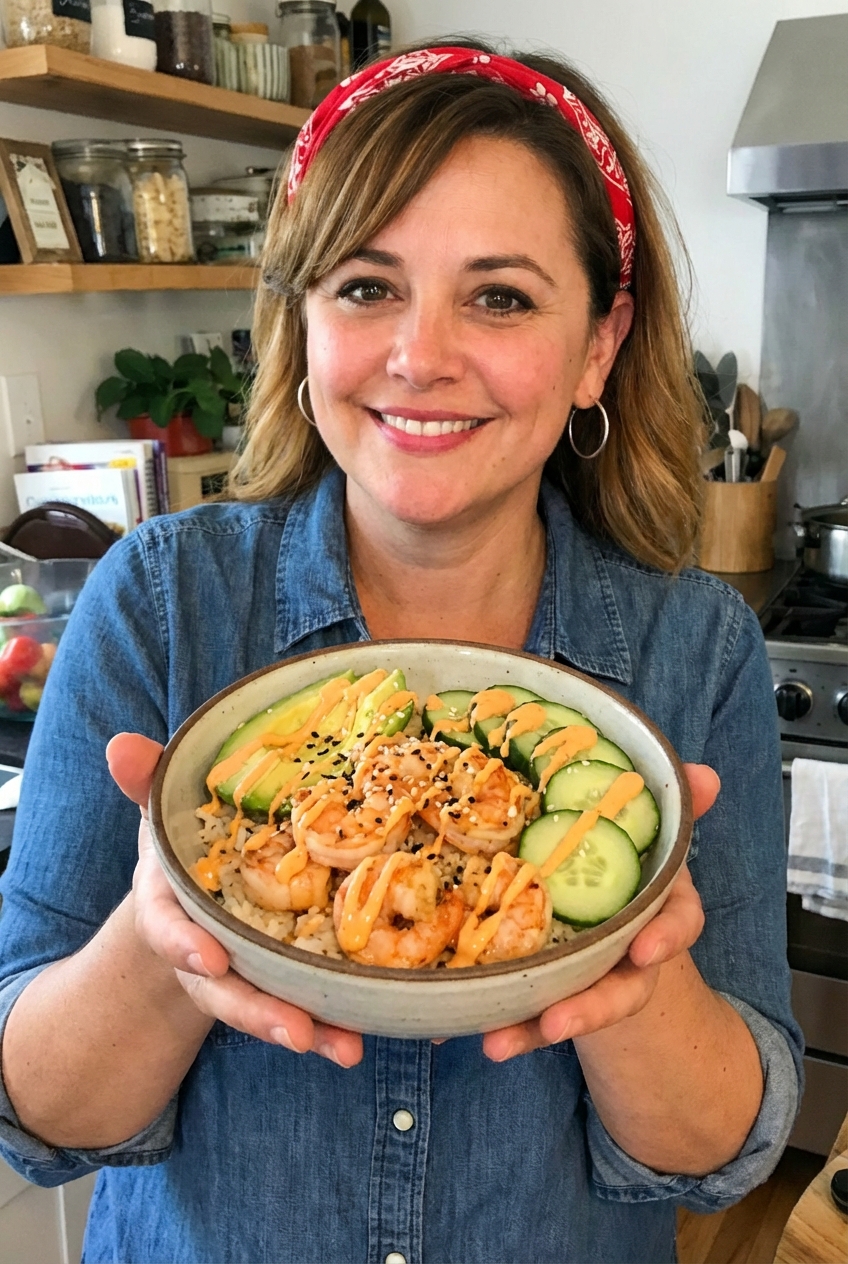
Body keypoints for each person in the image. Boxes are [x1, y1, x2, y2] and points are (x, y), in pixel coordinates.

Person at [0, 41, 801, 1264]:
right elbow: (39, 1113)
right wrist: (162, 937)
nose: (419, 356)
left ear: (597, 344)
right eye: (367, 286)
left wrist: (635, 970)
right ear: (303, 320)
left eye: (500, 296)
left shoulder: (695, 651)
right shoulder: (156, 605)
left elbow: (713, 1149)